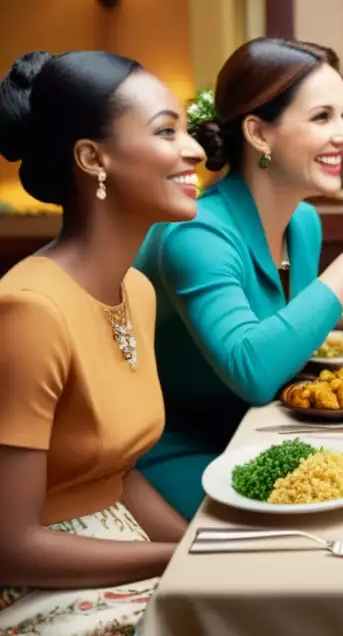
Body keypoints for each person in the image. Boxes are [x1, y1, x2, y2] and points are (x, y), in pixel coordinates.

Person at [135, 38, 343, 519]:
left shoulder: (303, 224)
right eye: (322, 117)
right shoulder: (195, 234)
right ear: (258, 134)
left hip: (265, 435)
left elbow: (292, 355)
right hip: (185, 452)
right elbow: (253, 373)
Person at [0, 51, 204, 634]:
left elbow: (117, 475)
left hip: (123, 548)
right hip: (40, 588)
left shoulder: (135, 288)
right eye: (167, 131)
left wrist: (203, 548)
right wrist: (181, 558)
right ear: (93, 158)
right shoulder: (29, 310)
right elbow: (10, 546)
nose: (193, 150)